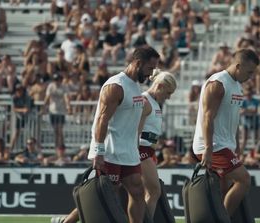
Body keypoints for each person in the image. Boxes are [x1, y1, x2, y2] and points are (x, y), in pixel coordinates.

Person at [59, 46, 160, 223]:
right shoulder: (116, 86)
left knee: (137, 191)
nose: (151, 74)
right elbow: (102, 120)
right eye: (149, 68)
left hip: (128, 153)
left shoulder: (135, 86)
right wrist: (98, 151)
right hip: (110, 151)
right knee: (106, 196)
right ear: (137, 63)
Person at [192, 49, 260, 216]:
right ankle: (223, 220)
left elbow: (233, 119)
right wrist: (208, 148)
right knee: (243, 180)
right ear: (238, 66)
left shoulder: (237, 85)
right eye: (249, 71)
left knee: (224, 188)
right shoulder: (218, 83)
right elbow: (207, 118)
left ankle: (216, 217)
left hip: (225, 145)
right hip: (212, 145)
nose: (251, 76)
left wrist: (235, 147)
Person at [136, 70, 176, 218]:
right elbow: (136, 131)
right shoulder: (145, 102)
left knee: (141, 192)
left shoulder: (154, 103)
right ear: (159, 86)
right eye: (168, 93)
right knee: (154, 191)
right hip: (141, 151)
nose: (169, 97)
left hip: (147, 151)